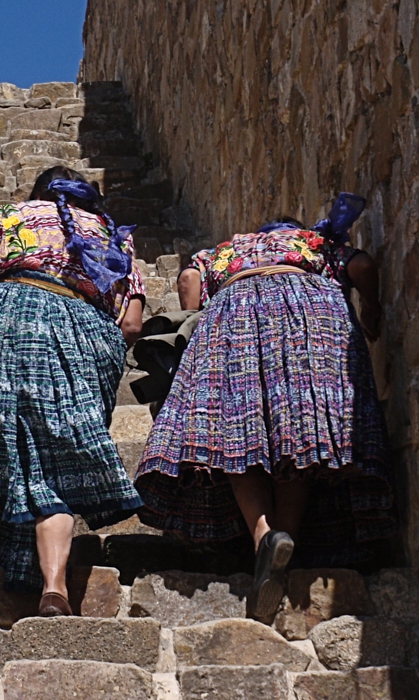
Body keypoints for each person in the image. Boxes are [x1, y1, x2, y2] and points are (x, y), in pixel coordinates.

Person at [133, 194, 396, 621]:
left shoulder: (225, 250)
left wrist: (194, 319)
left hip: (234, 315)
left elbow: (188, 280)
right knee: (299, 440)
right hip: (310, 316)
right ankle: (285, 539)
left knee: (235, 437)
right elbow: (363, 267)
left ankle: (264, 538)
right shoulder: (316, 242)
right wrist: (372, 308)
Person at [0, 166, 146, 617]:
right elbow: (132, 322)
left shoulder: (4, 215)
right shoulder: (108, 232)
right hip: (75, 325)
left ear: (36, 192)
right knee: (57, 465)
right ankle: (55, 590)